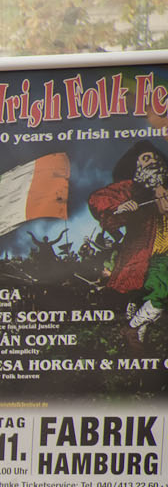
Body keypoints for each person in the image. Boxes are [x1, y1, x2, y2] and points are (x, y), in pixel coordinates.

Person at [87, 141, 168, 339]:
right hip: (147, 253)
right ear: (137, 165)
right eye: (146, 158)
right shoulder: (132, 188)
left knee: (149, 291)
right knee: (160, 291)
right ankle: (133, 328)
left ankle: (136, 325)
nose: (154, 161)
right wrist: (122, 206)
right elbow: (99, 199)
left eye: (156, 158)